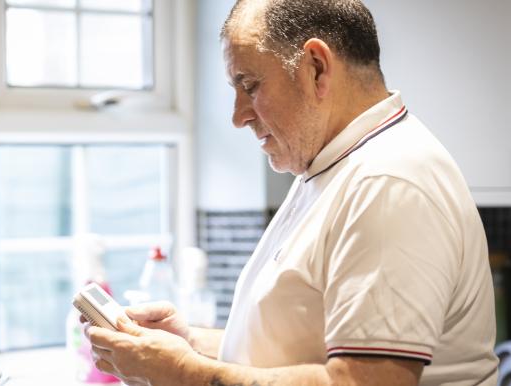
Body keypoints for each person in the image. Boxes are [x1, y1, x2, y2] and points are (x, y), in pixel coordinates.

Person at [83, 0, 499, 384]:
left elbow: (364, 382)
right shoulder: (333, 166)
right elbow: (301, 345)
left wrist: (181, 371)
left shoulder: (386, 181)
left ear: (317, 67)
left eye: (249, 85)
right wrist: (191, 341)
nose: (238, 116)